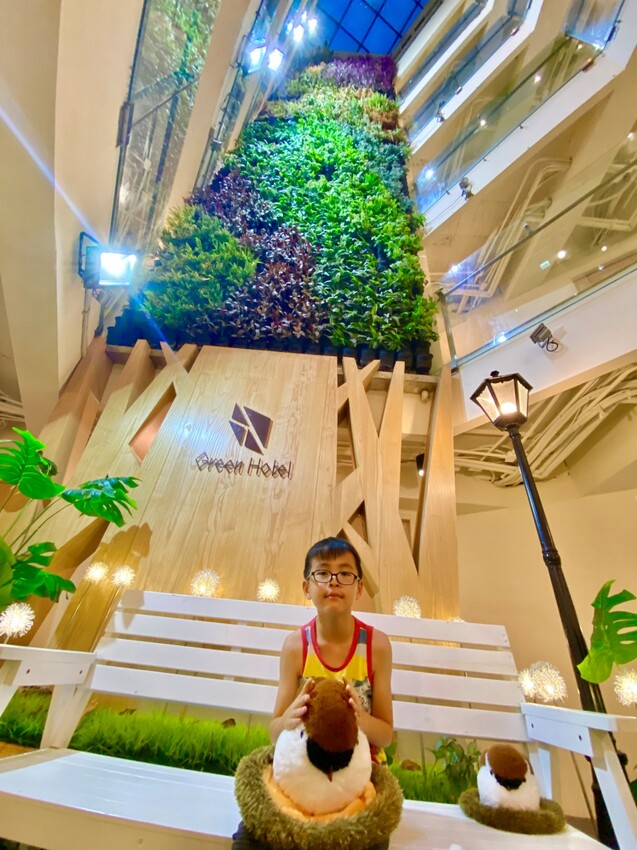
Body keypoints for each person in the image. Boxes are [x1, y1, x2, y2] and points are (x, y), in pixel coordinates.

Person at [232, 536, 394, 850]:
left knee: (368, 836)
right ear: (307, 587)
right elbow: (275, 731)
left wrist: (359, 719)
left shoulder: (376, 646)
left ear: (359, 587)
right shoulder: (296, 646)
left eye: (345, 573)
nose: (333, 581)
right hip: (303, 770)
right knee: (251, 835)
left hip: (359, 773)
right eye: (322, 573)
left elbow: (386, 735)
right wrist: (289, 718)